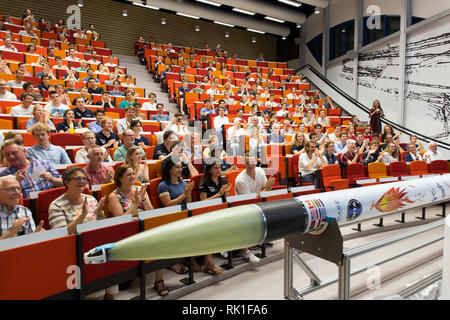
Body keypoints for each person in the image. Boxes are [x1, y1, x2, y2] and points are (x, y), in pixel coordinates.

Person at [108, 164, 168, 296]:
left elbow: (151, 212)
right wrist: (135, 205)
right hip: (126, 231)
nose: (132, 177)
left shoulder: (140, 189)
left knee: (159, 239)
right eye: (128, 174)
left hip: (144, 226)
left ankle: (159, 280)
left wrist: (143, 198)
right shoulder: (114, 196)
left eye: (133, 174)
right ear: (119, 178)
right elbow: (120, 221)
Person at [234, 153, 275, 263]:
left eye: (252, 162)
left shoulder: (260, 171)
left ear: (256, 162)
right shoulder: (241, 180)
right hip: (242, 207)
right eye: (248, 163)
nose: (251, 165)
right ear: (244, 164)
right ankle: (247, 248)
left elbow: (265, 189)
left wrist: (268, 188)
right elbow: (249, 200)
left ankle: (262, 238)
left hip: (258, 202)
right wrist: (267, 188)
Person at [0, 175, 45, 240]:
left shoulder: (25, 211)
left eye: (18, 188)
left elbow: (30, 241)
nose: (17, 192)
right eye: (11, 189)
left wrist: (36, 235)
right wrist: (10, 233)